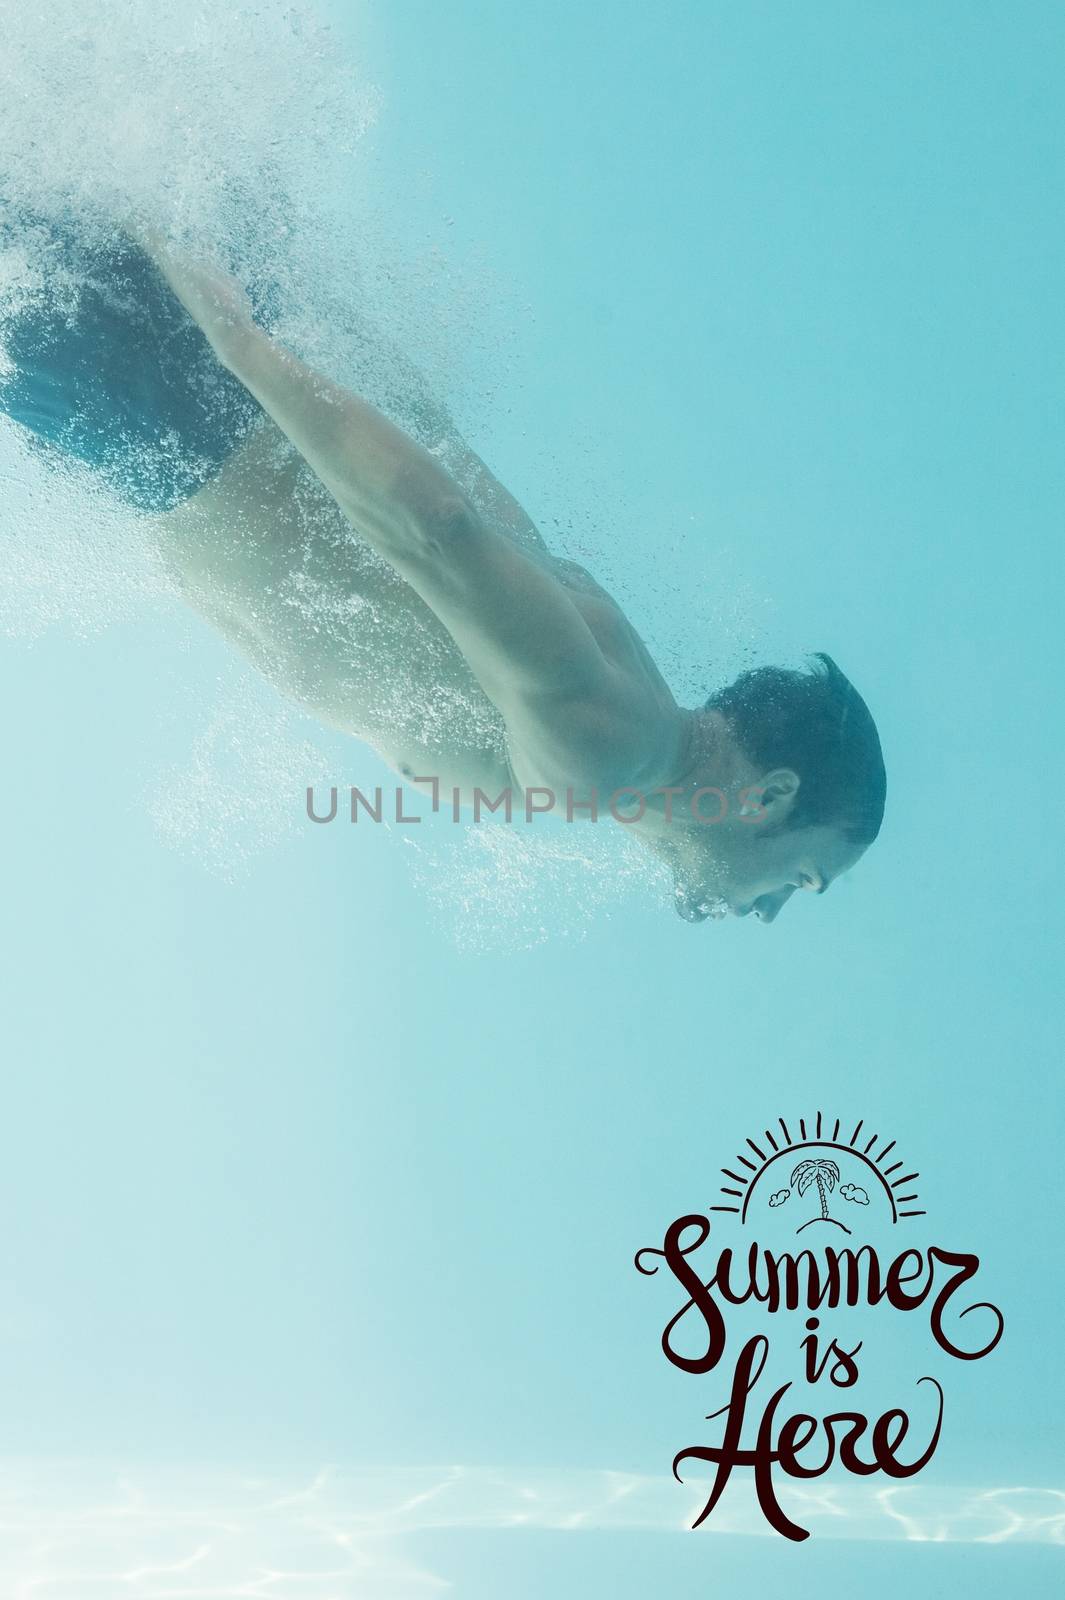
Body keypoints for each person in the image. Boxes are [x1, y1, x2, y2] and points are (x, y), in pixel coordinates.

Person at [0, 213, 885, 923]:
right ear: (772, 794)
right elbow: (437, 529)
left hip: (191, 407)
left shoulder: (627, 706)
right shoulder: (608, 751)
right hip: (180, 401)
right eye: (806, 878)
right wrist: (230, 330)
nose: (772, 911)